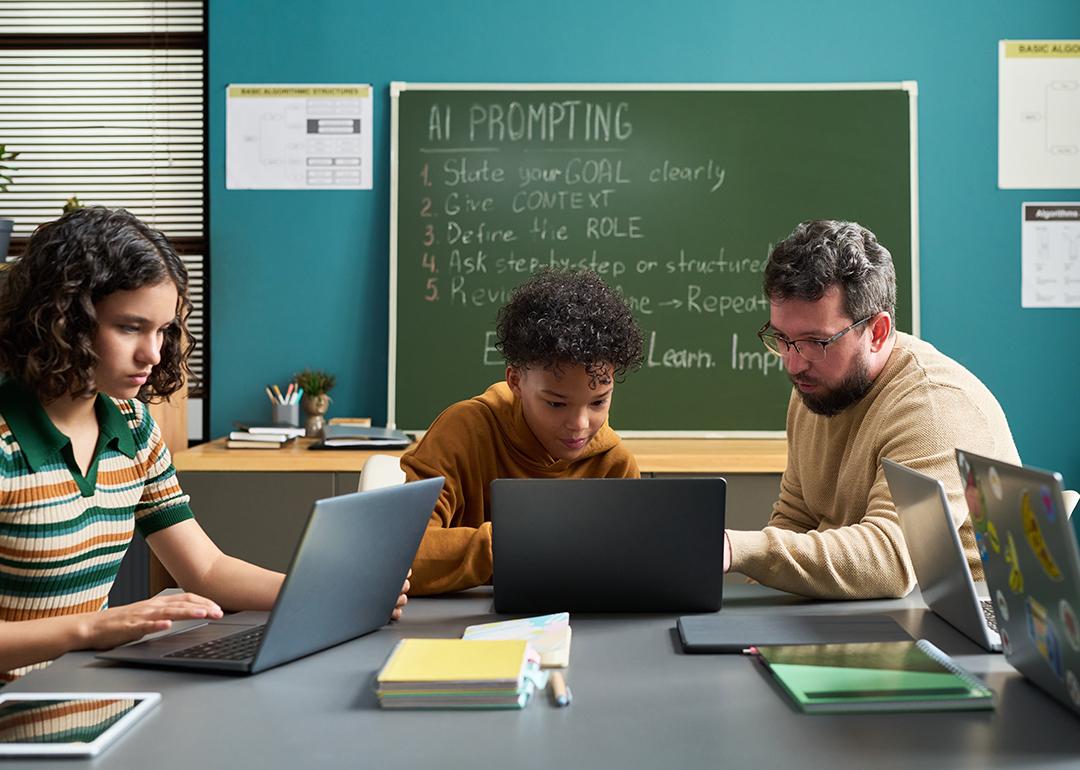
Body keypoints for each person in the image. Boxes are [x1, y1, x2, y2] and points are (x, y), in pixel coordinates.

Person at [0, 207, 407, 679]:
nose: (152, 353)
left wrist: (331, 592)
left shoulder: (132, 426)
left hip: (85, 693)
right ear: (63, 318)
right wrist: (91, 629)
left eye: (163, 331)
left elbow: (206, 570)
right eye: (130, 327)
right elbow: (89, 629)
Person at [723, 219, 1019, 600]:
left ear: (877, 332)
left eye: (817, 341)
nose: (793, 364)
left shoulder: (935, 405)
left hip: (960, 623)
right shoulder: (818, 386)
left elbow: (890, 561)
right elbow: (796, 519)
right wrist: (748, 621)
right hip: (868, 611)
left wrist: (736, 548)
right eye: (782, 339)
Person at [400, 269, 644, 595]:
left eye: (598, 402)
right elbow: (400, 552)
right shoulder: (463, 431)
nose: (580, 424)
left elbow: (632, 569)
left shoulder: (615, 465)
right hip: (459, 631)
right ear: (516, 381)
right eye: (556, 404)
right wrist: (518, 543)